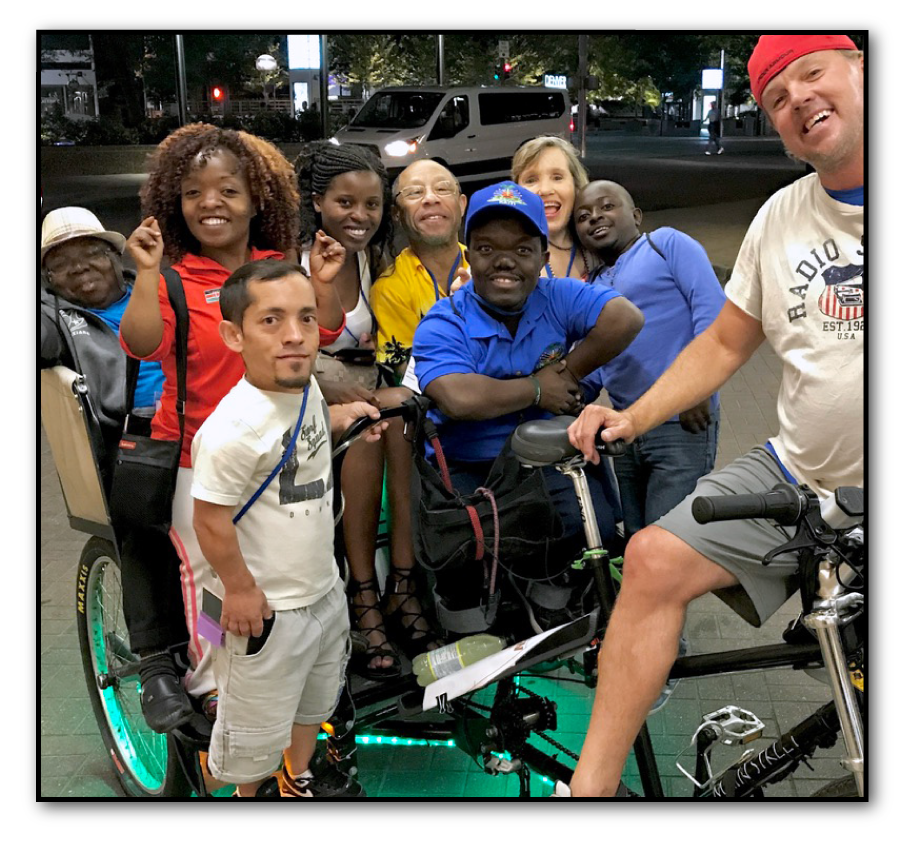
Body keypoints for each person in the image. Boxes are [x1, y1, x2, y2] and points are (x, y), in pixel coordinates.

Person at [563, 35, 863, 797]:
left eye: (812, 75)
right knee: (652, 560)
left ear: (858, 69)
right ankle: (591, 787)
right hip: (803, 474)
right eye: (776, 98)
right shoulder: (780, 217)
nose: (798, 101)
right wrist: (632, 417)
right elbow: (727, 340)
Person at [120, 124, 345, 709]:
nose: (210, 203)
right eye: (193, 193)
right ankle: (213, 679)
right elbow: (141, 344)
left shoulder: (278, 268)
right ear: (176, 203)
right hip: (197, 457)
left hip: (278, 454)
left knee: (279, 572)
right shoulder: (172, 277)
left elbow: (325, 330)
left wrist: (320, 281)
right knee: (211, 580)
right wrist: (147, 274)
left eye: (227, 190)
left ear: (256, 199)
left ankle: (285, 674)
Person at [192, 259, 386, 797]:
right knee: (251, 729)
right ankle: (246, 792)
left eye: (305, 317)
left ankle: (294, 777)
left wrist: (343, 421)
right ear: (234, 334)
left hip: (321, 591)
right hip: (266, 610)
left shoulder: (304, 392)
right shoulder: (231, 429)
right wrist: (240, 589)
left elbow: (304, 436)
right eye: (271, 321)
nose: (295, 336)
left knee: (312, 702)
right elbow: (208, 519)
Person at [412, 181, 643, 623]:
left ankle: (556, 592)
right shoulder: (446, 319)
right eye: (486, 248)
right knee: (464, 566)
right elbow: (456, 397)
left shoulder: (556, 295)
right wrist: (539, 389)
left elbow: (625, 318)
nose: (504, 261)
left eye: (521, 250)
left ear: (542, 256)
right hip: (473, 466)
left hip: (548, 458)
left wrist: (568, 374)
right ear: (469, 255)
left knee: (592, 528)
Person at [41, 207, 191, 733]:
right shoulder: (55, 315)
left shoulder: (156, 286)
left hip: (197, 418)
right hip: (132, 440)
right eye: (63, 265)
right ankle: (155, 662)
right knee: (139, 516)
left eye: (90, 255)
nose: (80, 270)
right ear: (50, 279)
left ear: (113, 257)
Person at [296, 142, 436, 678]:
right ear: (317, 202)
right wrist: (362, 398)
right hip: (314, 393)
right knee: (367, 435)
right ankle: (363, 594)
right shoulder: (299, 258)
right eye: (345, 203)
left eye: (372, 205)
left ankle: (403, 583)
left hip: (370, 385)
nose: (360, 216)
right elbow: (304, 349)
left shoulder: (372, 257)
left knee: (403, 428)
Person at [573, 181, 726, 540]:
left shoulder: (667, 245)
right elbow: (596, 362)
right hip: (626, 428)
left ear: (636, 216)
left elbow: (713, 314)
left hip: (681, 421)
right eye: (583, 216)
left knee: (666, 541)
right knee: (638, 537)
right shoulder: (591, 283)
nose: (595, 217)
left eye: (607, 206)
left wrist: (696, 388)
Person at [371, 159, 469, 379]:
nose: (430, 198)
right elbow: (406, 372)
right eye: (415, 192)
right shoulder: (390, 288)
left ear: (462, 204)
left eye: (442, 188)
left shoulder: (487, 267)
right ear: (397, 213)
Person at [512, 135, 592, 280]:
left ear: (576, 185)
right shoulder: (505, 256)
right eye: (531, 180)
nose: (545, 189)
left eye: (557, 177)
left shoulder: (598, 243)